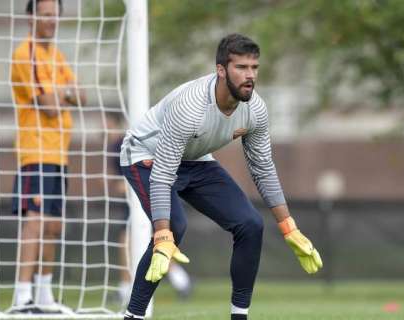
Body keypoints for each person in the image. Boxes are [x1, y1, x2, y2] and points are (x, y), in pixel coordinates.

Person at [120, 34, 322, 320]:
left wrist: (289, 226)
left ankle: (239, 316)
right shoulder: (189, 106)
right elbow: (164, 172)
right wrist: (163, 234)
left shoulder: (255, 110)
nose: (249, 75)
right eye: (241, 67)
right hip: (146, 158)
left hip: (196, 159)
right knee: (174, 227)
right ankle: (133, 316)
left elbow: (263, 167)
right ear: (221, 70)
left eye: (254, 67)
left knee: (251, 225)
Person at [9, 0, 86, 313]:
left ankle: (44, 296)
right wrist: (64, 93)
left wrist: (64, 93)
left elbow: (82, 95)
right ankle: (21, 296)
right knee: (35, 222)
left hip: (60, 154)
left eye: (55, 15)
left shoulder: (57, 56)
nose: (51, 21)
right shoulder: (25, 54)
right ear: (31, 17)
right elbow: (51, 106)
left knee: (53, 225)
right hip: (35, 151)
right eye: (45, 15)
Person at [106, 113, 193, 305]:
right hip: (129, 203)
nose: (104, 128)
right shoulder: (112, 147)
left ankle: (179, 279)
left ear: (115, 123)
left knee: (152, 241)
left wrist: (121, 184)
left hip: (142, 197)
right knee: (129, 242)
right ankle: (127, 288)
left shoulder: (124, 143)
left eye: (107, 123)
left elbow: (135, 173)